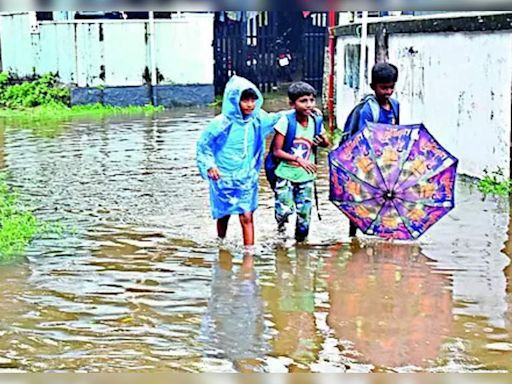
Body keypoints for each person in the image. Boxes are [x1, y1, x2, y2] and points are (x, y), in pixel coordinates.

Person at [196, 75, 281, 251]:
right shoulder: (220, 123)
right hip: (222, 176)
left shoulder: (256, 119)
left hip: (246, 177)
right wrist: (210, 165)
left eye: (252, 100)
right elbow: (204, 146)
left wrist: (301, 111)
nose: (250, 104)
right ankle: (221, 242)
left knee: (247, 215)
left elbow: (276, 118)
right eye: (245, 100)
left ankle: (249, 253)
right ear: (235, 101)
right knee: (224, 214)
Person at [341, 62, 400, 237]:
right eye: (383, 88)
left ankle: (381, 231)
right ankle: (353, 235)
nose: (388, 92)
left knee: (385, 199)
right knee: (360, 199)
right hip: (367, 162)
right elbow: (361, 140)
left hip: (387, 162)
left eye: (391, 87)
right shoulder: (367, 111)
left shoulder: (395, 105)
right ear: (373, 86)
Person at [271, 81, 330, 243]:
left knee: (304, 217)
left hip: (306, 176)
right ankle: (281, 231)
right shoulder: (286, 122)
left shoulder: (316, 121)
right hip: (286, 174)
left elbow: (326, 144)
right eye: (303, 101)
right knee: (284, 210)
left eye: (311, 100)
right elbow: (277, 151)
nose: (309, 104)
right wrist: (299, 160)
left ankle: (301, 246)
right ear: (292, 104)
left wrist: (323, 141)